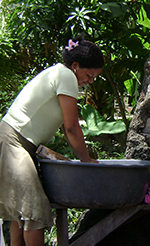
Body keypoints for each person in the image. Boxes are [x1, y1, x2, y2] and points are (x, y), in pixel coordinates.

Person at [0, 36, 104, 246]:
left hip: (17, 143)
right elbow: (72, 127)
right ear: (75, 66)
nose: (90, 81)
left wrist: (81, 158)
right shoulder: (66, 76)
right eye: (89, 74)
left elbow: (67, 128)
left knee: (22, 212)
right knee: (34, 209)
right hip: (13, 142)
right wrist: (86, 160)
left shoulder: (60, 73)